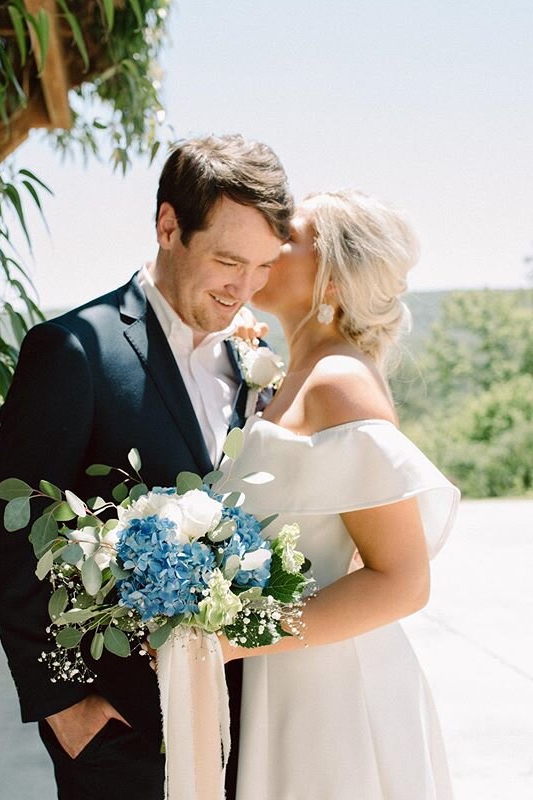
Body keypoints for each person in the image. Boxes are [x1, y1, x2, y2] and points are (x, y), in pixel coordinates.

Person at [0, 134, 293, 800]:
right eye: (228, 260)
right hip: (122, 737)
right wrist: (68, 713)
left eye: (263, 267)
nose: (245, 288)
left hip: (250, 731)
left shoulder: (253, 357)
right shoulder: (73, 351)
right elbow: (13, 544)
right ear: (168, 226)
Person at [219, 190, 460, 800]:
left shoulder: (340, 383)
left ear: (331, 282)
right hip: (285, 675)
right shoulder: (288, 377)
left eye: (289, 235)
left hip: (336, 692)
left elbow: (403, 580)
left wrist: (242, 633)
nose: (269, 242)